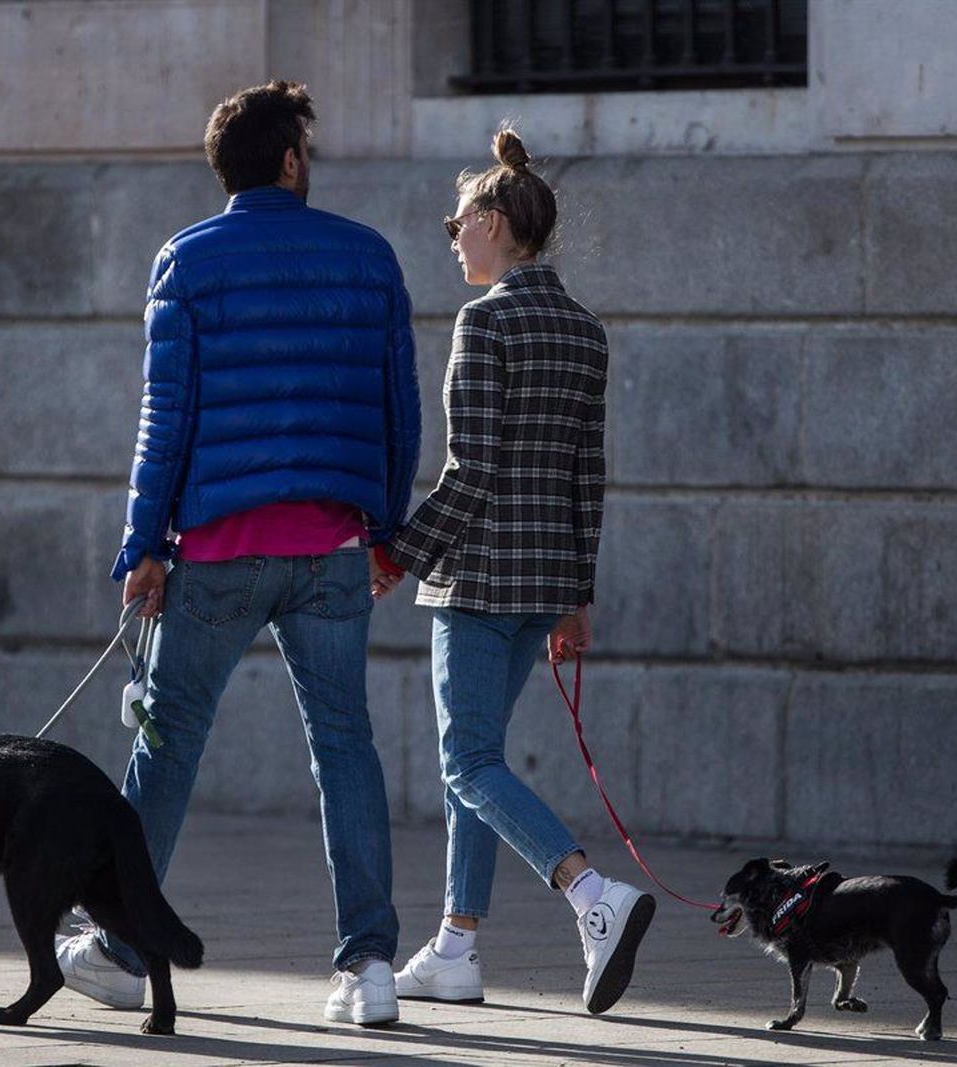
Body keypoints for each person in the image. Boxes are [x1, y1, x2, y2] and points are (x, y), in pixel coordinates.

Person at [54, 81, 419, 1028]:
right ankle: (371, 965)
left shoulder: (188, 259)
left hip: (217, 548)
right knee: (347, 748)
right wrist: (384, 530)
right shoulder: (369, 257)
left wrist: (143, 545)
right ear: (290, 160)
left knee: (167, 746)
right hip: (334, 548)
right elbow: (398, 410)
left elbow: (162, 420)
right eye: (309, 144)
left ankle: (123, 946)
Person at [374, 126, 654, 1016]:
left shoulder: (484, 320)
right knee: (480, 763)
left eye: (456, 223)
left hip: (479, 577)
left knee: (465, 762)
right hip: (543, 586)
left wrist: (397, 553)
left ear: (493, 221)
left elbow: (472, 470)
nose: (451, 237)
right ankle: (456, 945)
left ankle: (589, 894)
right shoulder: (585, 328)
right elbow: (587, 473)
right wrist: (579, 594)